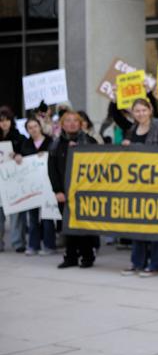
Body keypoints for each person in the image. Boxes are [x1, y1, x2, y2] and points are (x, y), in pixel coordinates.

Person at [117, 98, 158, 276]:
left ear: (150, 110)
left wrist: (134, 146)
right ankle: (137, 262)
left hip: (156, 183)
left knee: (156, 225)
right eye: (137, 111)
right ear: (133, 113)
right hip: (136, 184)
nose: (140, 114)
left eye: (143, 110)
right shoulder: (132, 129)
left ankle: (155, 264)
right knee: (137, 225)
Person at [50, 111, 98, 269]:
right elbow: (52, 170)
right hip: (64, 192)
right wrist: (57, 191)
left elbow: (99, 162)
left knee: (84, 225)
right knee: (68, 226)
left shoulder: (90, 141)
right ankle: (70, 257)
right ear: (62, 124)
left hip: (84, 192)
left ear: (80, 124)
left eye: (75, 121)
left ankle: (87, 256)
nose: (71, 123)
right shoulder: (56, 144)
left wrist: (81, 149)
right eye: (68, 121)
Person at [17, 117, 54, 255]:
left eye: (35, 126)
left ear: (40, 127)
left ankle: (49, 245)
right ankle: (33, 245)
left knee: (47, 217)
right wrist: (18, 157)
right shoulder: (26, 144)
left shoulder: (50, 141)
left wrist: (47, 154)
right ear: (27, 130)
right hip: (31, 186)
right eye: (30, 127)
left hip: (48, 184)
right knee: (32, 217)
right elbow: (21, 159)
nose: (33, 129)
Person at [0, 105, 26, 253]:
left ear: (11, 121)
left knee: (16, 213)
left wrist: (18, 156)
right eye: (1, 120)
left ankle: (18, 242)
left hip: (14, 181)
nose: (4, 123)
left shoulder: (19, 138)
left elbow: (27, 153)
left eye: (6, 120)